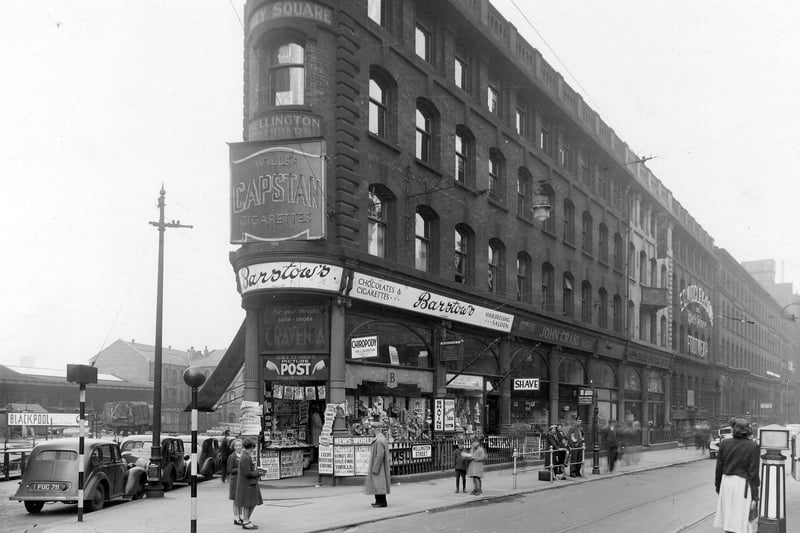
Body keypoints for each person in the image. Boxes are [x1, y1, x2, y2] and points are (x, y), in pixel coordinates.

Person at [714, 418, 760, 533]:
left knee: (729, 518)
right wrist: (755, 496)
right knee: (741, 519)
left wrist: (719, 487)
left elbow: (719, 468)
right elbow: (753, 473)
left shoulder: (725, 443)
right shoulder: (753, 446)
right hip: (742, 485)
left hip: (727, 483)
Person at [235, 439, 264, 530]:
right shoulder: (245, 458)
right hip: (247, 484)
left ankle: (246, 520)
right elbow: (247, 473)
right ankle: (246, 521)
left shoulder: (245, 456)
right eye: (253, 447)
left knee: (250, 503)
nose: (254, 449)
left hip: (248, 484)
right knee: (248, 504)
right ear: (251, 447)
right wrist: (258, 473)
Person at [364, 428, 391, 507]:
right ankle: (379, 501)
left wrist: (375, 468)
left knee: (378, 484)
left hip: (379, 467)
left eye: (372, 430)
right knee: (379, 484)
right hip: (381, 466)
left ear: (375, 430)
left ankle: (381, 502)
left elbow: (379, 455)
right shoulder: (382, 439)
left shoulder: (379, 441)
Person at [227, 438, 243, 525]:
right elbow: (229, 470)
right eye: (236, 446)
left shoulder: (244, 455)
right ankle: (236, 517)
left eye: (240, 445)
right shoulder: (231, 457)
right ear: (234, 447)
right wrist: (240, 469)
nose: (238, 447)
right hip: (235, 480)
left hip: (242, 480)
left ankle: (241, 516)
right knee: (235, 499)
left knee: (241, 499)